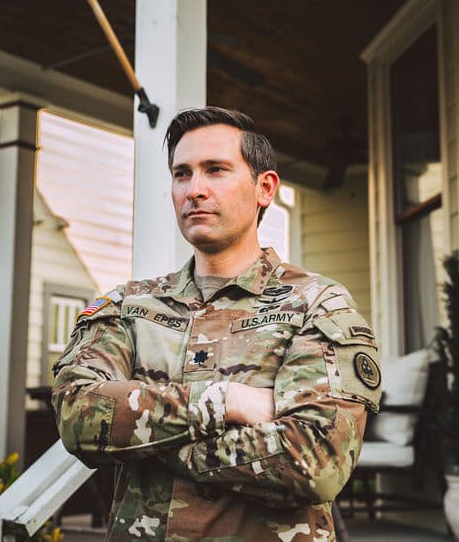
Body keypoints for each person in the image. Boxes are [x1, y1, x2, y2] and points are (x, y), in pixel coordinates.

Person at [52, 107, 381, 541]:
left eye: (216, 170)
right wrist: (224, 402)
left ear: (265, 188)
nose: (195, 190)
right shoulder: (129, 307)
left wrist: (150, 442)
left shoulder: (316, 304)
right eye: (182, 174)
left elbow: (314, 462)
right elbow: (76, 415)